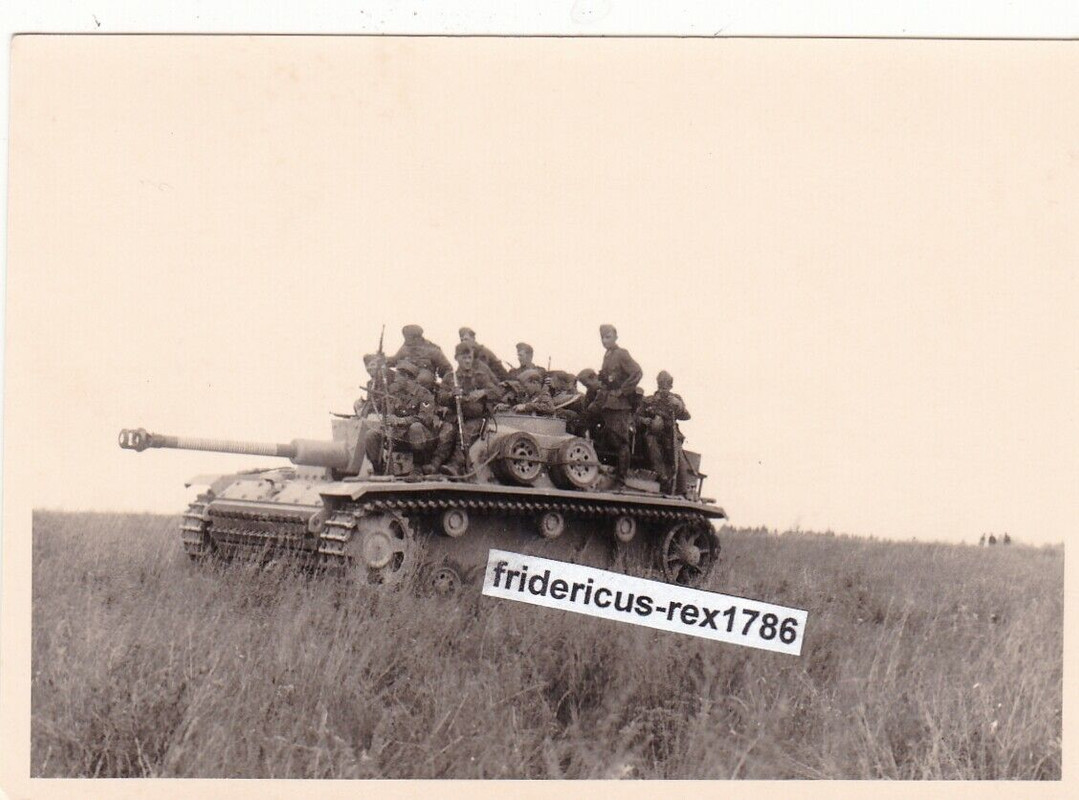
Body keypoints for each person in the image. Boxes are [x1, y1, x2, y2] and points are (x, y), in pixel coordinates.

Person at [364, 360, 455, 475]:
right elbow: (390, 414)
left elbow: (424, 419)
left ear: (406, 377)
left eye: (398, 376)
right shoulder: (396, 394)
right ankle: (378, 468)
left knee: (415, 428)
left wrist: (401, 421)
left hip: (422, 439)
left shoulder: (424, 395)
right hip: (399, 436)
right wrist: (389, 418)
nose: (395, 379)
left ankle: (417, 467)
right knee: (371, 435)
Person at [439, 342, 505, 473]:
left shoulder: (480, 376)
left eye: (470, 357)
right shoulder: (450, 377)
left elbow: (498, 392)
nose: (468, 361)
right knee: (445, 435)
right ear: (457, 358)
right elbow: (440, 397)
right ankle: (435, 465)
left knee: (465, 434)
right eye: (464, 358)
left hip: (476, 418)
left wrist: (483, 392)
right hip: (455, 416)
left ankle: (455, 465)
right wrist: (451, 394)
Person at [596, 324, 642, 480]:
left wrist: (622, 391)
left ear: (615, 336)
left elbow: (637, 372)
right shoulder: (607, 356)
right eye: (602, 337)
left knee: (621, 440)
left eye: (608, 337)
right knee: (609, 436)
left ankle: (622, 476)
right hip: (608, 402)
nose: (604, 340)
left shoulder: (621, 354)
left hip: (620, 404)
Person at [637, 370, 692, 495]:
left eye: (666, 385)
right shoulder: (649, 400)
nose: (663, 387)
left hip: (672, 433)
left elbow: (687, 416)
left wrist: (678, 406)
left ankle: (682, 489)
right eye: (661, 384)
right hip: (655, 432)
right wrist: (646, 420)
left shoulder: (676, 399)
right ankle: (662, 477)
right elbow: (637, 417)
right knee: (650, 442)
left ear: (671, 386)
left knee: (678, 458)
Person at [385, 324, 453, 381]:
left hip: (425, 385)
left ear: (417, 338)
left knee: (423, 378)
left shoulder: (433, 350)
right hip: (406, 380)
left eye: (409, 339)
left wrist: (445, 385)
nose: (406, 341)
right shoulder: (405, 348)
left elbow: (447, 369)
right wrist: (383, 359)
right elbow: (394, 360)